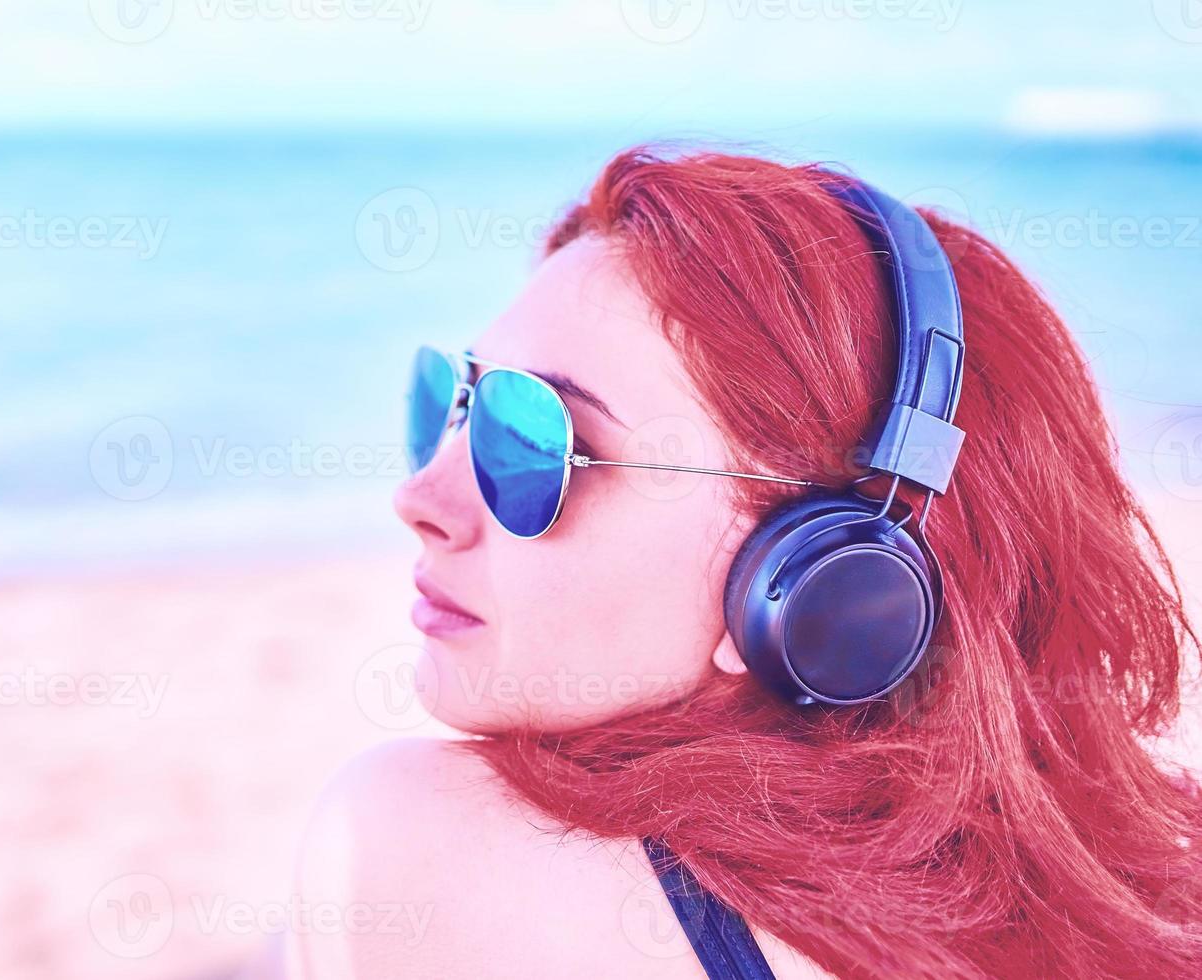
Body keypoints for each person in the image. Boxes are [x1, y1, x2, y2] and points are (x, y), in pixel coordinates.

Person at [282, 147, 1202, 979]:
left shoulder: (407, 839)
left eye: (533, 441)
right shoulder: (1149, 890)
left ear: (821, 575)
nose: (419, 502)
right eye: (456, 404)